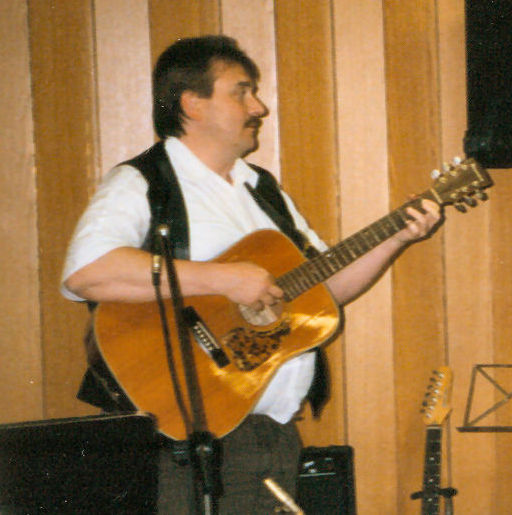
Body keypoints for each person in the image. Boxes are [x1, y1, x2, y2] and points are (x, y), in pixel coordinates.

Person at [61, 35, 441, 514]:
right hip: (186, 443)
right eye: (241, 92)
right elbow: (87, 272)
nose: (258, 107)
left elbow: (323, 290)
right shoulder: (145, 182)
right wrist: (222, 279)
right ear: (192, 104)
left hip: (272, 435)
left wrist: (395, 237)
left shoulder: (262, 190)